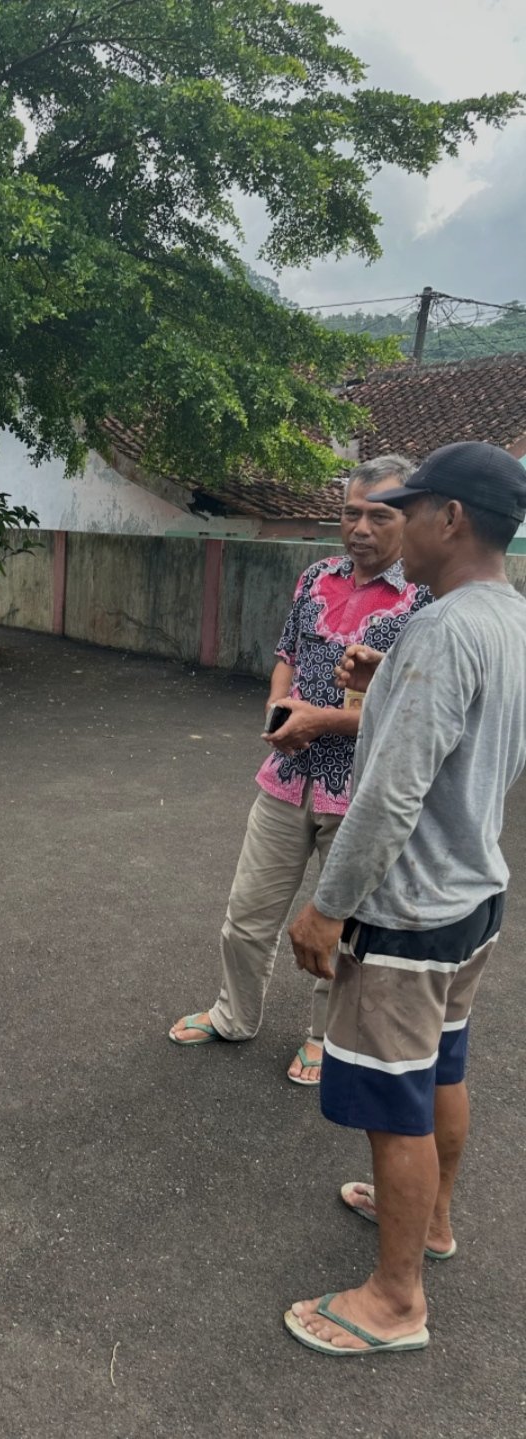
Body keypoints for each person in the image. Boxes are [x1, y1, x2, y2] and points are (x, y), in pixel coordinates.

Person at [286, 441, 526, 1355]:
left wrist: (328, 904)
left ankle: (395, 1301)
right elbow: (473, 732)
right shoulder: (508, 617)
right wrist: (386, 684)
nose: (391, 521)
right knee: (443, 1071)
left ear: (451, 519)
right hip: (473, 897)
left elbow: (391, 793)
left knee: (395, 1101)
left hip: (409, 911)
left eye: (410, 507)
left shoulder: (438, 629)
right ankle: (430, 1223)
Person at [170, 456, 431, 1082]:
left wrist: (319, 721)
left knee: (342, 928)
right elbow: (286, 656)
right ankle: (234, 1014)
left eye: (379, 514)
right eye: (350, 513)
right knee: (246, 915)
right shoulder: (315, 576)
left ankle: (323, 1036)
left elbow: (415, 714)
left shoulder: (424, 599)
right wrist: (278, 707)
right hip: (286, 779)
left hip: (362, 792)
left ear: (409, 517)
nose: (360, 527)